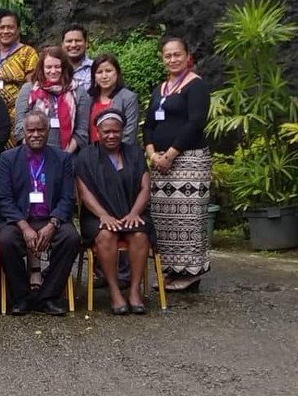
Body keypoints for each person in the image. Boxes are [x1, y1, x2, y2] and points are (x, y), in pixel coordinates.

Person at [144, 34, 211, 292]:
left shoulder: (196, 86)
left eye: (177, 54)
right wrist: (152, 153)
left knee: (189, 219)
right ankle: (171, 270)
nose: (172, 59)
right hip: (160, 164)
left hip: (188, 161)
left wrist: (170, 154)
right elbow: (149, 124)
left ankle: (191, 273)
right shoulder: (159, 90)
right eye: (168, 55)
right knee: (165, 219)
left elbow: (195, 123)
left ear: (187, 56)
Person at [0, 109, 79, 316]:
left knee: (71, 238)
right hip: (19, 220)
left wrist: (53, 224)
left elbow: (68, 198)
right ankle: (21, 296)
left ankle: (48, 296)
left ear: (48, 130)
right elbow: (4, 199)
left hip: (50, 218)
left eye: (40, 130)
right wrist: (24, 226)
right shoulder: (8, 158)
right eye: (30, 130)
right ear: (23, 131)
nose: (35, 134)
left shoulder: (62, 158)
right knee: (6, 240)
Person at [74, 110, 155, 314]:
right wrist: (103, 215)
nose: (111, 135)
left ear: (122, 131)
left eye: (116, 131)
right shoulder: (86, 156)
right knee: (105, 234)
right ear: (98, 132)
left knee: (139, 234)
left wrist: (135, 212)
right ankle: (114, 291)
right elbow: (84, 192)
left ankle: (134, 290)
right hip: (97, 215)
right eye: (106, 131)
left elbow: (145, 187)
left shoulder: (135, 154)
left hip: (131, 211)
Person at [13, 46, 91, 154]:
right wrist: (33, 150)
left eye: (57, 66)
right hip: (32, 154)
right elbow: (20, 126)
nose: (53, 71)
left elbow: (81, 131)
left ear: (64, 67)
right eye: (48, 67)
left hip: (68, 156)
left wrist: (65, 155)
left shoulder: (78, 92)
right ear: (42, 68)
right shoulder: (28, 89)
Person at [0, 9, 38, 120]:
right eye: (1, 27)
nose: (5, 31)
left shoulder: (27, 53)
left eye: (10, 27)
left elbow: (32, 86)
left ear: (18, 30)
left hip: (18, 114)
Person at [89, 52, 141, 147]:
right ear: (94, 77)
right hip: (92, 155)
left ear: (117, 73)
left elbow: (129, 134)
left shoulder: (128, 98)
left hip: (119, 155)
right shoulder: (89, 99)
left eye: (108, 71)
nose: (104, 76)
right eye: (99, 72)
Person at [62, 25, 95, 93]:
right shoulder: (55, 69)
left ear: (86, 44)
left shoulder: (95, 68)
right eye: (69, 41)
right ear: (62, 45)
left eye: (78, 41)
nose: (73, 45)